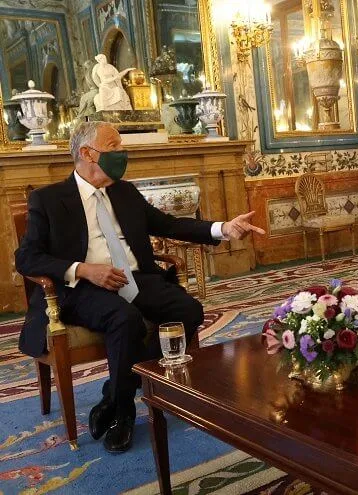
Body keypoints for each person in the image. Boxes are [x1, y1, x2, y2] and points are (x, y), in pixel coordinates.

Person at [15, 121, 266, 453]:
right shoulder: (48, 200)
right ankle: (123, 413)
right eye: (114, 147)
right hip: (83, 289)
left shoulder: (125, 192)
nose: (123, 153)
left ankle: (115, 393)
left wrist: (223, 228)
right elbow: (27, 257)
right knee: (125, 319)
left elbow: (169, 224)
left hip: (136, 278)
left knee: (188, 310)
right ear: (88, 153)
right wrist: (84, 270)